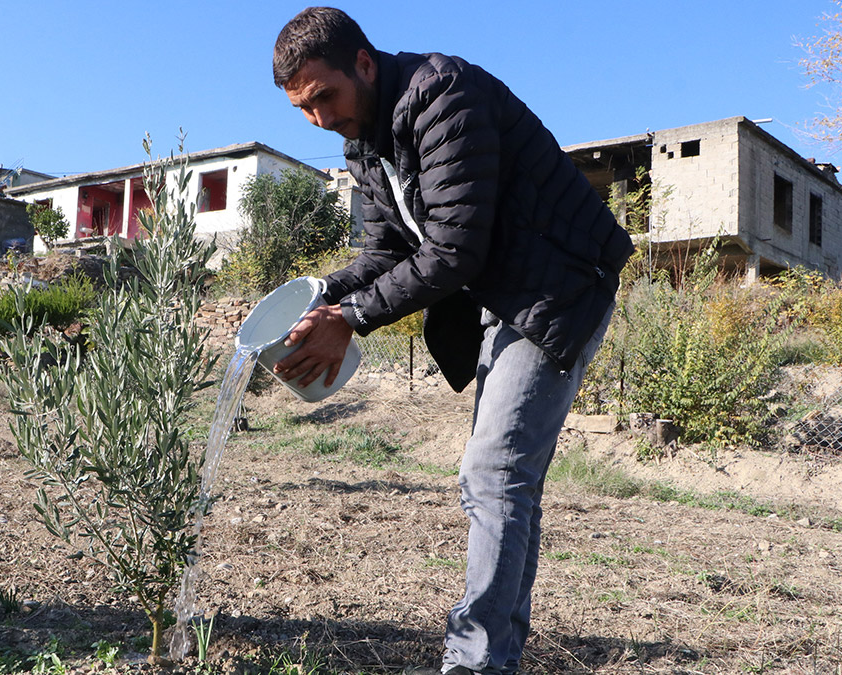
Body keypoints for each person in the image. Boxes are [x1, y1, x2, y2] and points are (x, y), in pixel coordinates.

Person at [271, 8, 634, 675]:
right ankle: (496, 655)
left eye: (325, 97)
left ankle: (477, 662)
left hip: (558, 285)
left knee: (494, 473)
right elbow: (384, 250)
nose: (317, 118)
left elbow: (453, 250)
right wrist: (323, 295)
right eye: (302, 108)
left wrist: (349, 321)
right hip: (501, 295)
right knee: (505, 480)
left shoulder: (443, 96)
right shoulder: (364, 141)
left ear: (364, 64)